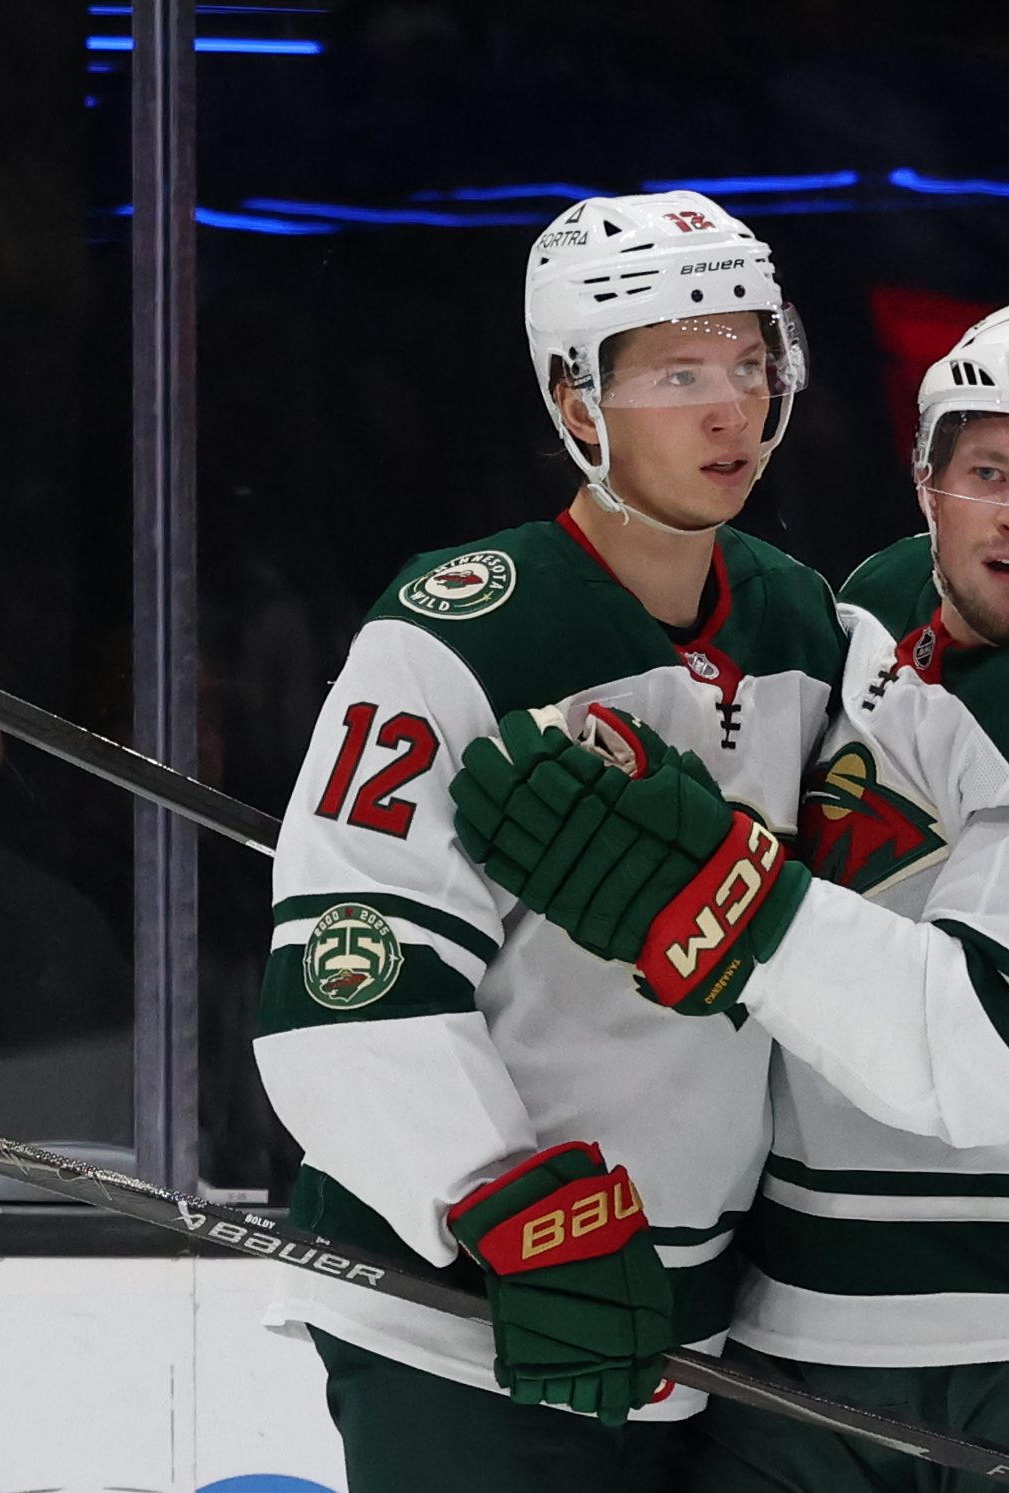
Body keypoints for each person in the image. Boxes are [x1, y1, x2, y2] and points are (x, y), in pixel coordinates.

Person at [453, 303, 1009, 1492]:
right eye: (989, 470)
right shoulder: (854, 622)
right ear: (926, 478)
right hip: (802, 1335)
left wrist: (714, 900)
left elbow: (979, 1051)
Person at [251, 191, 843, 1493]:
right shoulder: (456, 633)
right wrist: (495, 1200)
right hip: (464, 1313)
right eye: (679, 373)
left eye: (750, 365)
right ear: (578, 405)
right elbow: (347, 974)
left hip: (698, 1315)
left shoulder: (802, 625)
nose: (730, 408)